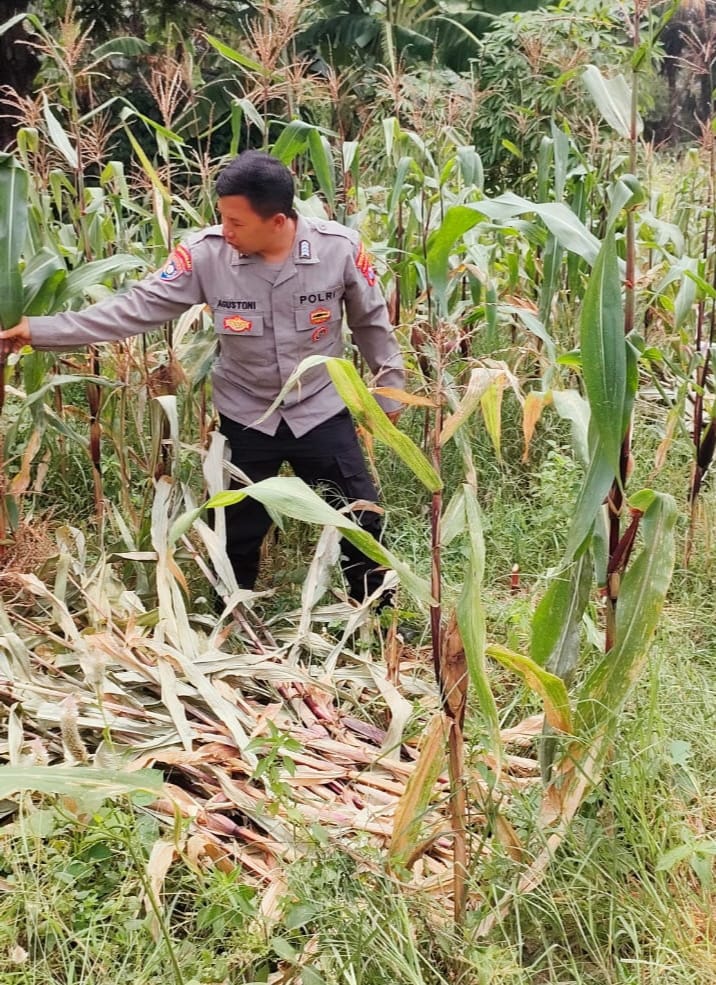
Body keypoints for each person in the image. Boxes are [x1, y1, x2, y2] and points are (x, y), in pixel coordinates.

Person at [0, 151, 404, 604]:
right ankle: (231, 617)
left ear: (277, 221)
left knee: (359, 517)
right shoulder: (205, 255)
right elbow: (133, 309)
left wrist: (391, 394)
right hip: (248, 414)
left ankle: (377, 615)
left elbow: (372, 324)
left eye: (236, 222)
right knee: (235, 529)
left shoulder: (339, 250)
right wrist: (40, 331)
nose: (226, 230)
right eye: (222, 218)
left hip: (320, 408)